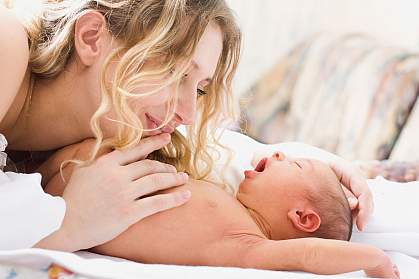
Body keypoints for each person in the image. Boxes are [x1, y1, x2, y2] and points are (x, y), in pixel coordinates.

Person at [0, 0, 372, 252]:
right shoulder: (6, 44)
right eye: (175, 72)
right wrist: (67, 224)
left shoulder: (92, 127)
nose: (187, 113)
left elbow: (209, 146)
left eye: (198, 88)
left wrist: (305, 165)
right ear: (92, 37)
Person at [42, 148, 398, 278]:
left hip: (52, 201)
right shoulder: (233, 204)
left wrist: (375, 260)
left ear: (303, 218)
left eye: (295, 164)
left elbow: (310, 253)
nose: (278, 155)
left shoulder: (247, 247)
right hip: (65, 169)